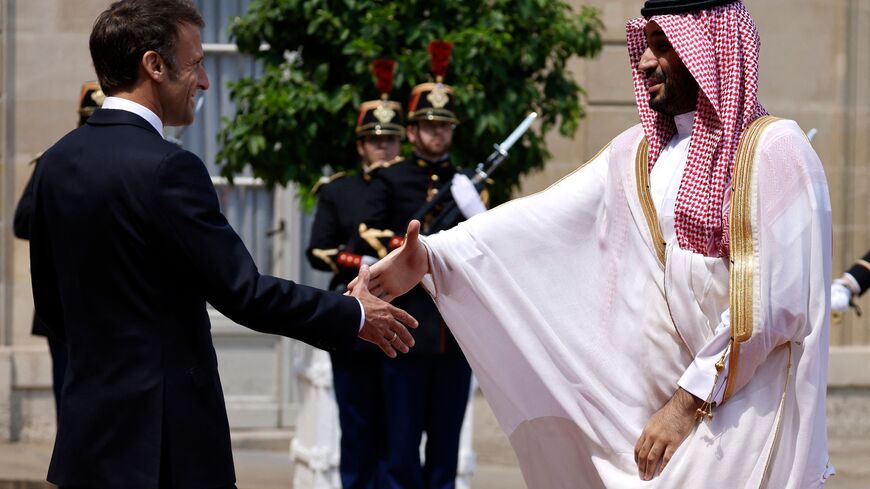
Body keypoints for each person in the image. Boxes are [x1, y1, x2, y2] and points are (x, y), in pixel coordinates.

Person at [355, 1, 833, 487]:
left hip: (748, 405)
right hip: (662, 406)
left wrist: (686, 405)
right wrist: (430, 257)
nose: (645, 60)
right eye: (645, 45)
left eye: (662, 45)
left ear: (709, 48)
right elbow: (539, 222)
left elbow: (771, 306)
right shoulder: (639, 153)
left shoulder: (776, 150)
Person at [28, 1, 416, 488]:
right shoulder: (170, 168)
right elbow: (243, 291)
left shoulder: (56, 163)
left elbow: (53, 309)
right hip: (168, 448)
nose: (206, 81)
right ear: (154, 65)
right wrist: (354, 314)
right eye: (196, 64)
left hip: (87, 445)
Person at [355, 41, 486, 489]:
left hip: (453, 333)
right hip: (404, 326)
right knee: (401, 447)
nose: (436, 134)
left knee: (445, 450)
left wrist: (477, 215)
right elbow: (370, 234)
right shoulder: (390, 179)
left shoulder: (467, 182)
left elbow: (487, 247)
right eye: (427, 126)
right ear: (410, 131)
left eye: (443, 126)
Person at [305, 59, 405, 489]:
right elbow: (318, 250)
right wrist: (367, 265)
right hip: (352, 314)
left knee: (400, 429)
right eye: (374, 140)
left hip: (403, 315)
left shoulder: (416, 186)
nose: (382, 147)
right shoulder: (338, 190)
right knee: (357, 422)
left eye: (390, 139)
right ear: (361, 144)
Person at [13, 81, 104, 416]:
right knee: (67, 395)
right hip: (62, 300)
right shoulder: (54, 160)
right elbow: (21, 221)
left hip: (105, 301)